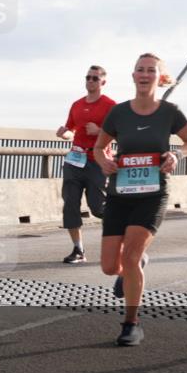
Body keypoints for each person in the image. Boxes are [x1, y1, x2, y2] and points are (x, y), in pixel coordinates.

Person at [93, 53, 187, 346]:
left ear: (159, 77)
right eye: (139, 69)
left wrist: (177, 154)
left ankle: (131, 324)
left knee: (130, 256)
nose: (144, 74)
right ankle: (132, 268)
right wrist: (104, 161)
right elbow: (99, 147)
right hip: (119, 194)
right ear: (133, 76)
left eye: (150, 70)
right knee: (109, 266)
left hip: (152, 195)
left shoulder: (169, 111)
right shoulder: (118, 113)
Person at [56, 65, 116, 264]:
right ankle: (78, 250)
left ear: (103, 82)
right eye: (88, 77)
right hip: (74, 160)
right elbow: (71, 131)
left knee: (98, 207)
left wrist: (99, 131)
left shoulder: (110, 105)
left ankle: (120, 234)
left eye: (95, 78)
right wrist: (65, 133)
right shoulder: (76, 105)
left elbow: (119, 132)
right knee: (70, 205)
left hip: (97, 161)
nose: (90, 81)